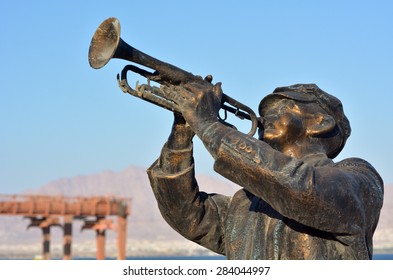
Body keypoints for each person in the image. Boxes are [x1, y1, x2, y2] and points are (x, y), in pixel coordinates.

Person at [147, 81, 384, 260]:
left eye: (283, 108)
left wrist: (209, 125)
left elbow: (302, 188)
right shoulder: (243, 204)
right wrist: (183, 128)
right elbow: (185, 213)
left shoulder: (360, 177)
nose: (264, 118)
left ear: (322, 123)